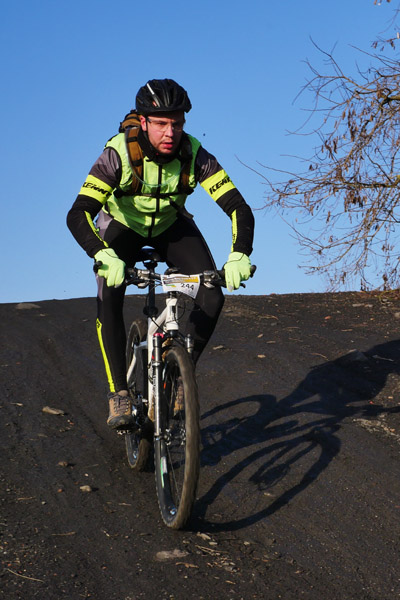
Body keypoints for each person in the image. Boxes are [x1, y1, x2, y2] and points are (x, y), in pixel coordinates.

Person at [67, 78, 255, 430]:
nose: (171, 132)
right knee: (109, 297)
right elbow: (78, 213)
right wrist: (102, 254)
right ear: (143, 121)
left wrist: (239, 254)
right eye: (161, 123)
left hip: (170, 224)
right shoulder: (118, 154)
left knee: (212, 295)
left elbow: (238, 207)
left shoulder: (195, 154)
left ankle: (182, 375)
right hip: (123, 228)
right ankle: (119, 391)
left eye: (177, 123)